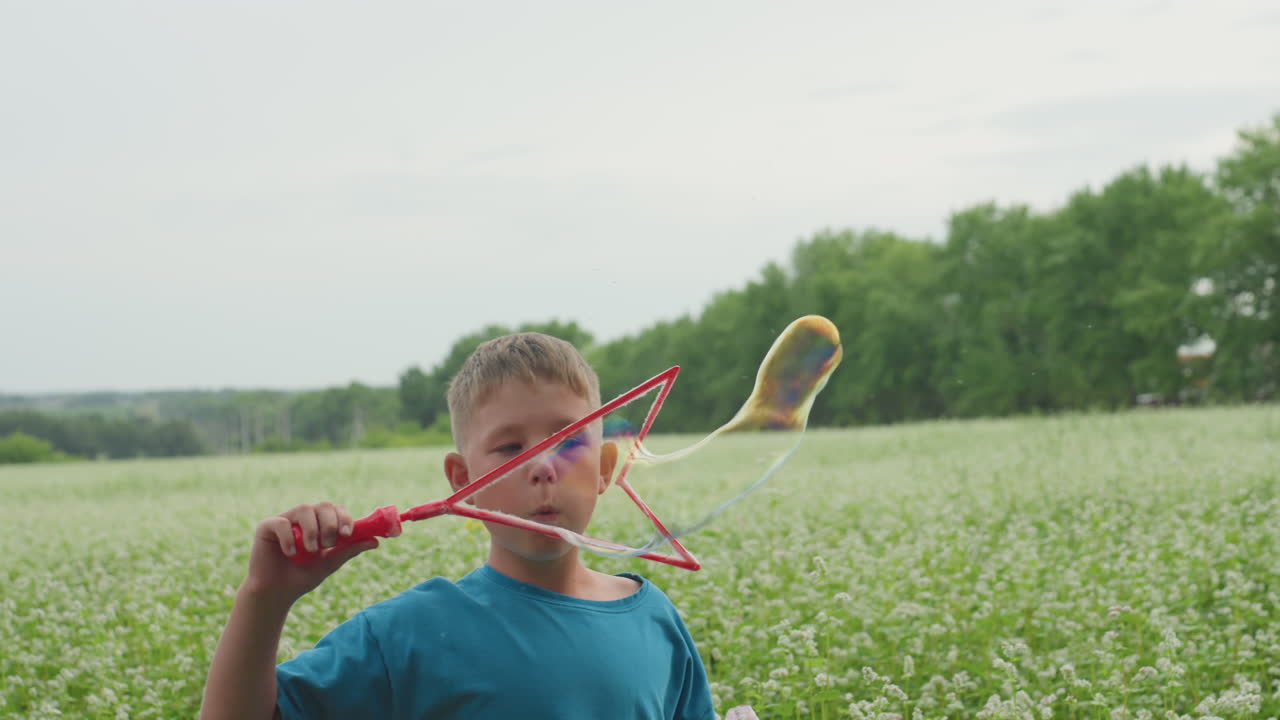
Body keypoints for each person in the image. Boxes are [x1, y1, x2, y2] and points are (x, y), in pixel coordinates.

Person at [200, 332, 717, 720]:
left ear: (606, 469)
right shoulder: (409, 634)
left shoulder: (655, 620)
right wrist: (264, 598)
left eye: (568, 441)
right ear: (462, 480)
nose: (543, 466)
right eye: (511, 447)